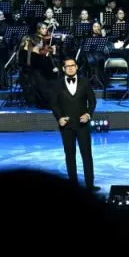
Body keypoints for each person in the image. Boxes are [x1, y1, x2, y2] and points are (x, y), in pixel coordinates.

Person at [50, 57, 99, 191]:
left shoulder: (85, 82)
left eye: (73, 65)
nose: (71, 68)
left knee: (86, 155)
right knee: (70, 155)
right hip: (66, 125)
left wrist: (88, 114)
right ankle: (73, 186)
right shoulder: (57, 84)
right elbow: (54, 104)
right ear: (63, 68)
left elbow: (92, 102)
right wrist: (59, 118)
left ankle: (90, 185)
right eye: (68, 66)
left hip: (82, 125)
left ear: (76, 67)